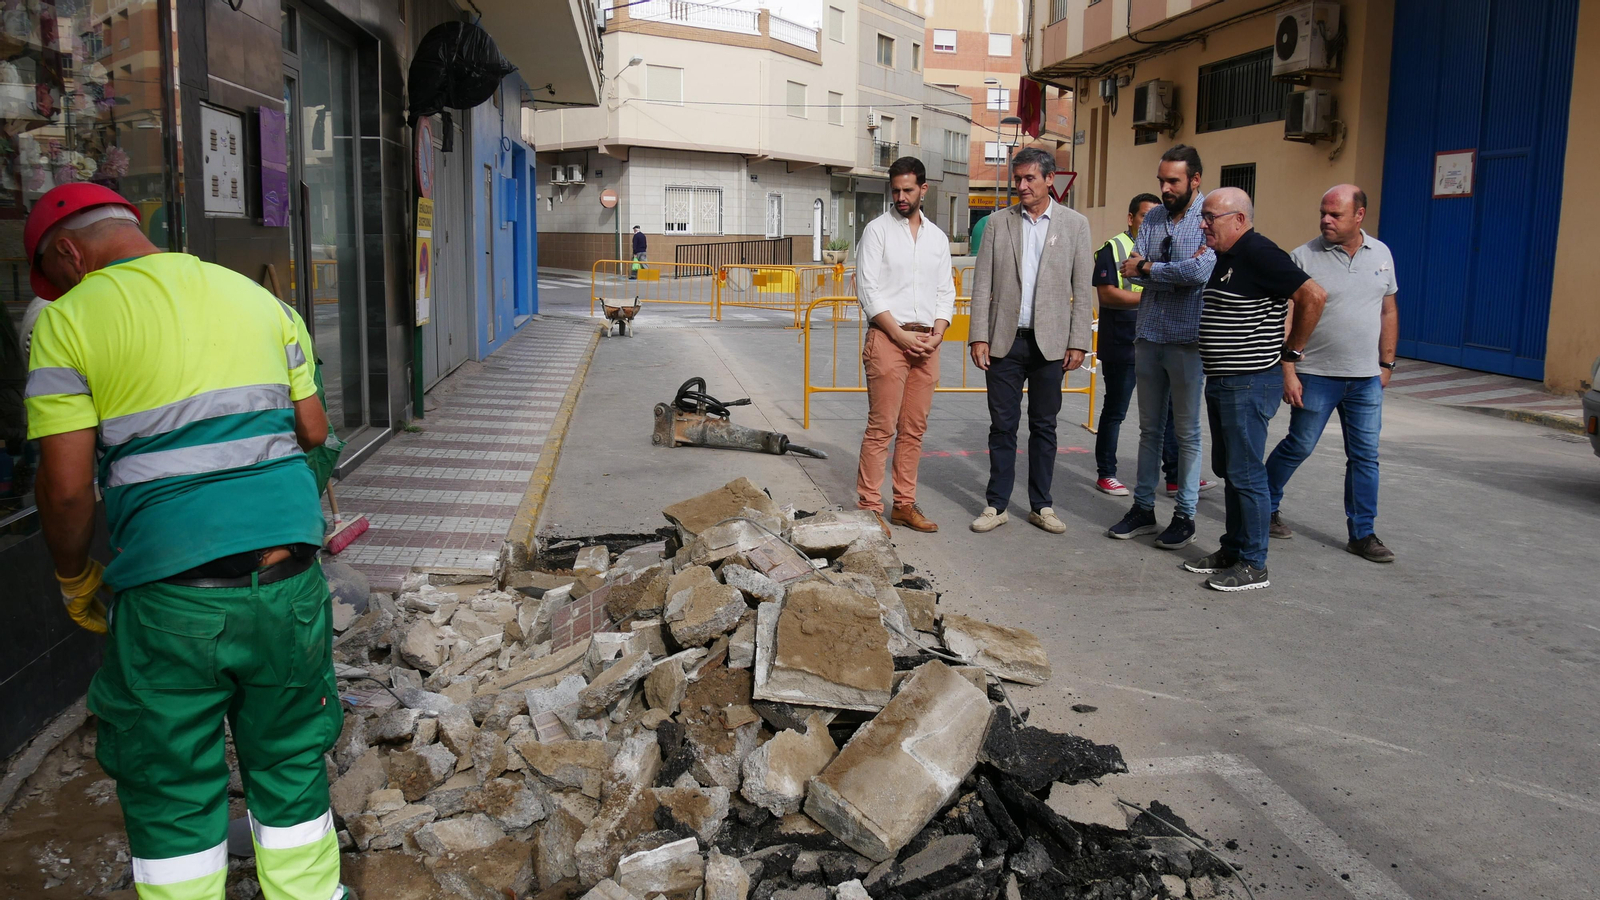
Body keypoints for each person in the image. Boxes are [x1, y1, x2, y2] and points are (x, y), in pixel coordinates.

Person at [23, 184, 352, 900]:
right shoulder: (260, 301)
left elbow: (68, 488)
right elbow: (315, 430)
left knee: (172, 787)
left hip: (175, 600)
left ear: (70, 254)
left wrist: (75, 577)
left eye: (54, 276)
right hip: (291, 582)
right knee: (291, 764)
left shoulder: (67, 322)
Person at [1181, 188, 1327, 591]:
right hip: (1224, 380)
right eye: (1203, 217)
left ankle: (1253, 563)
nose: (1203, 225)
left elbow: (1313, 295)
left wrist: (1292, 351)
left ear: (1239, 220)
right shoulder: (1227, 256)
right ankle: (1233, 549)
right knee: (1231, 470)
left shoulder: (1259, 251)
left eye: (1210, 217)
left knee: (1246, 474)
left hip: (1248, 382)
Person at [1265, 185, 1398, 562]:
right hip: (1316, 375)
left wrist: (1386, 364)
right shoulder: (1303, 257)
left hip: (1365, 379)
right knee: (1299, 445)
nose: (1325, 220)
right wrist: (1288, 369)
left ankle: (1363, 533)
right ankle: (1264, 505)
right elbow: (1287, 316)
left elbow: (1388, 310)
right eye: (1323, 212)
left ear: (1359, 215)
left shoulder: (1382, 254)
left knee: (1365, 456)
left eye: (1335, 214)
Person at [968, 147, 1094, 534]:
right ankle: (996, 505)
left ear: (1049, 179)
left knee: (1044, 426)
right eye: (1017, 179)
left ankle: (1042, 505)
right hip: (1004, 342)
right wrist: (978, 336)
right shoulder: (997, 223)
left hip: (1051, 345)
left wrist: (1078, 341)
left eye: (1029, 179)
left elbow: (1082, 289)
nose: (1022, 186)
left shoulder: (1075, 225)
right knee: (1002, 426)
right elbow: (982, 284)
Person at [1106, 145, 1215, 549]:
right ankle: (1143, 509)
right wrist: (1165, 273)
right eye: (1162, 181)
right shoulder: (1152, 218)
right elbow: (1130, 272)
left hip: (1188, 340)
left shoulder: (1208, 218)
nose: (1166, 188)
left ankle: (1185, 515)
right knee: (1149, 429)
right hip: (1149, 335)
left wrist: (1151, 268)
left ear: (1195, 180)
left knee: (1187, 432)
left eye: (1173, 181)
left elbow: (1200, 272)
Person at [1090, 193, 1216, 497]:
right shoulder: (1114, 247)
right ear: (1131, 218)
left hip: (1160, 336)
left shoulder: (1163, 246)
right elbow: (1107, 295)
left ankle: (1174, 476)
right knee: (1116, 410)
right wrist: (1155, 292)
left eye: (1155, 216)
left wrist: (1153, 278)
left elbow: (1187, 274)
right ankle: (1106, 473)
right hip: (1122, 342)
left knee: (1171, 412)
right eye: (1145, 216)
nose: (1151, 222)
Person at [854, 156, 955, 533]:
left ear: (923, 190)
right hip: (887, 338)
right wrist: (899, 335)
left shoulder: (937, 238)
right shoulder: (877, 231)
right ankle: (869, 507)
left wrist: (937, 335)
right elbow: (868, 289)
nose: (900, 197)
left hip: (927, 342)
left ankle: (904, 505)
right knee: (882, 427)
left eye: (908, 190)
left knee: (913, 429)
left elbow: (946, 291)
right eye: (895, 190)